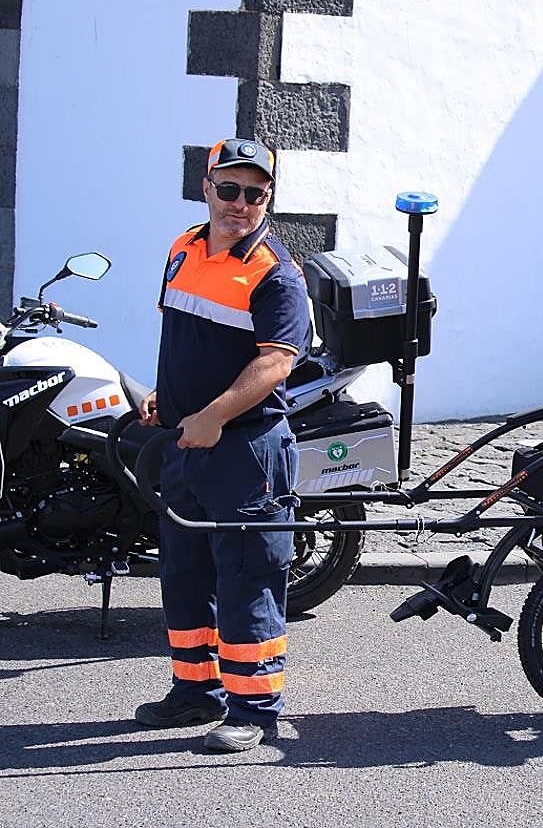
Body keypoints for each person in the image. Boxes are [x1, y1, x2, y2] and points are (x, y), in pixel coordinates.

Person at [134, 138, 311, 752]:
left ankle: (253, 710)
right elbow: (184, 334)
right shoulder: (183, 248)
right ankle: (194, 692)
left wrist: (212, 416)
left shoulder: (276, 274)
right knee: (183, 572)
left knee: (247, 578)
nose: (241, 203)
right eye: (229, 189)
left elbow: (275, 363)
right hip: (186, 442)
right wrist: (166, 393)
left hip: (245, 450)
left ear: (268, 197)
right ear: (206, 187)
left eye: (254, 193)